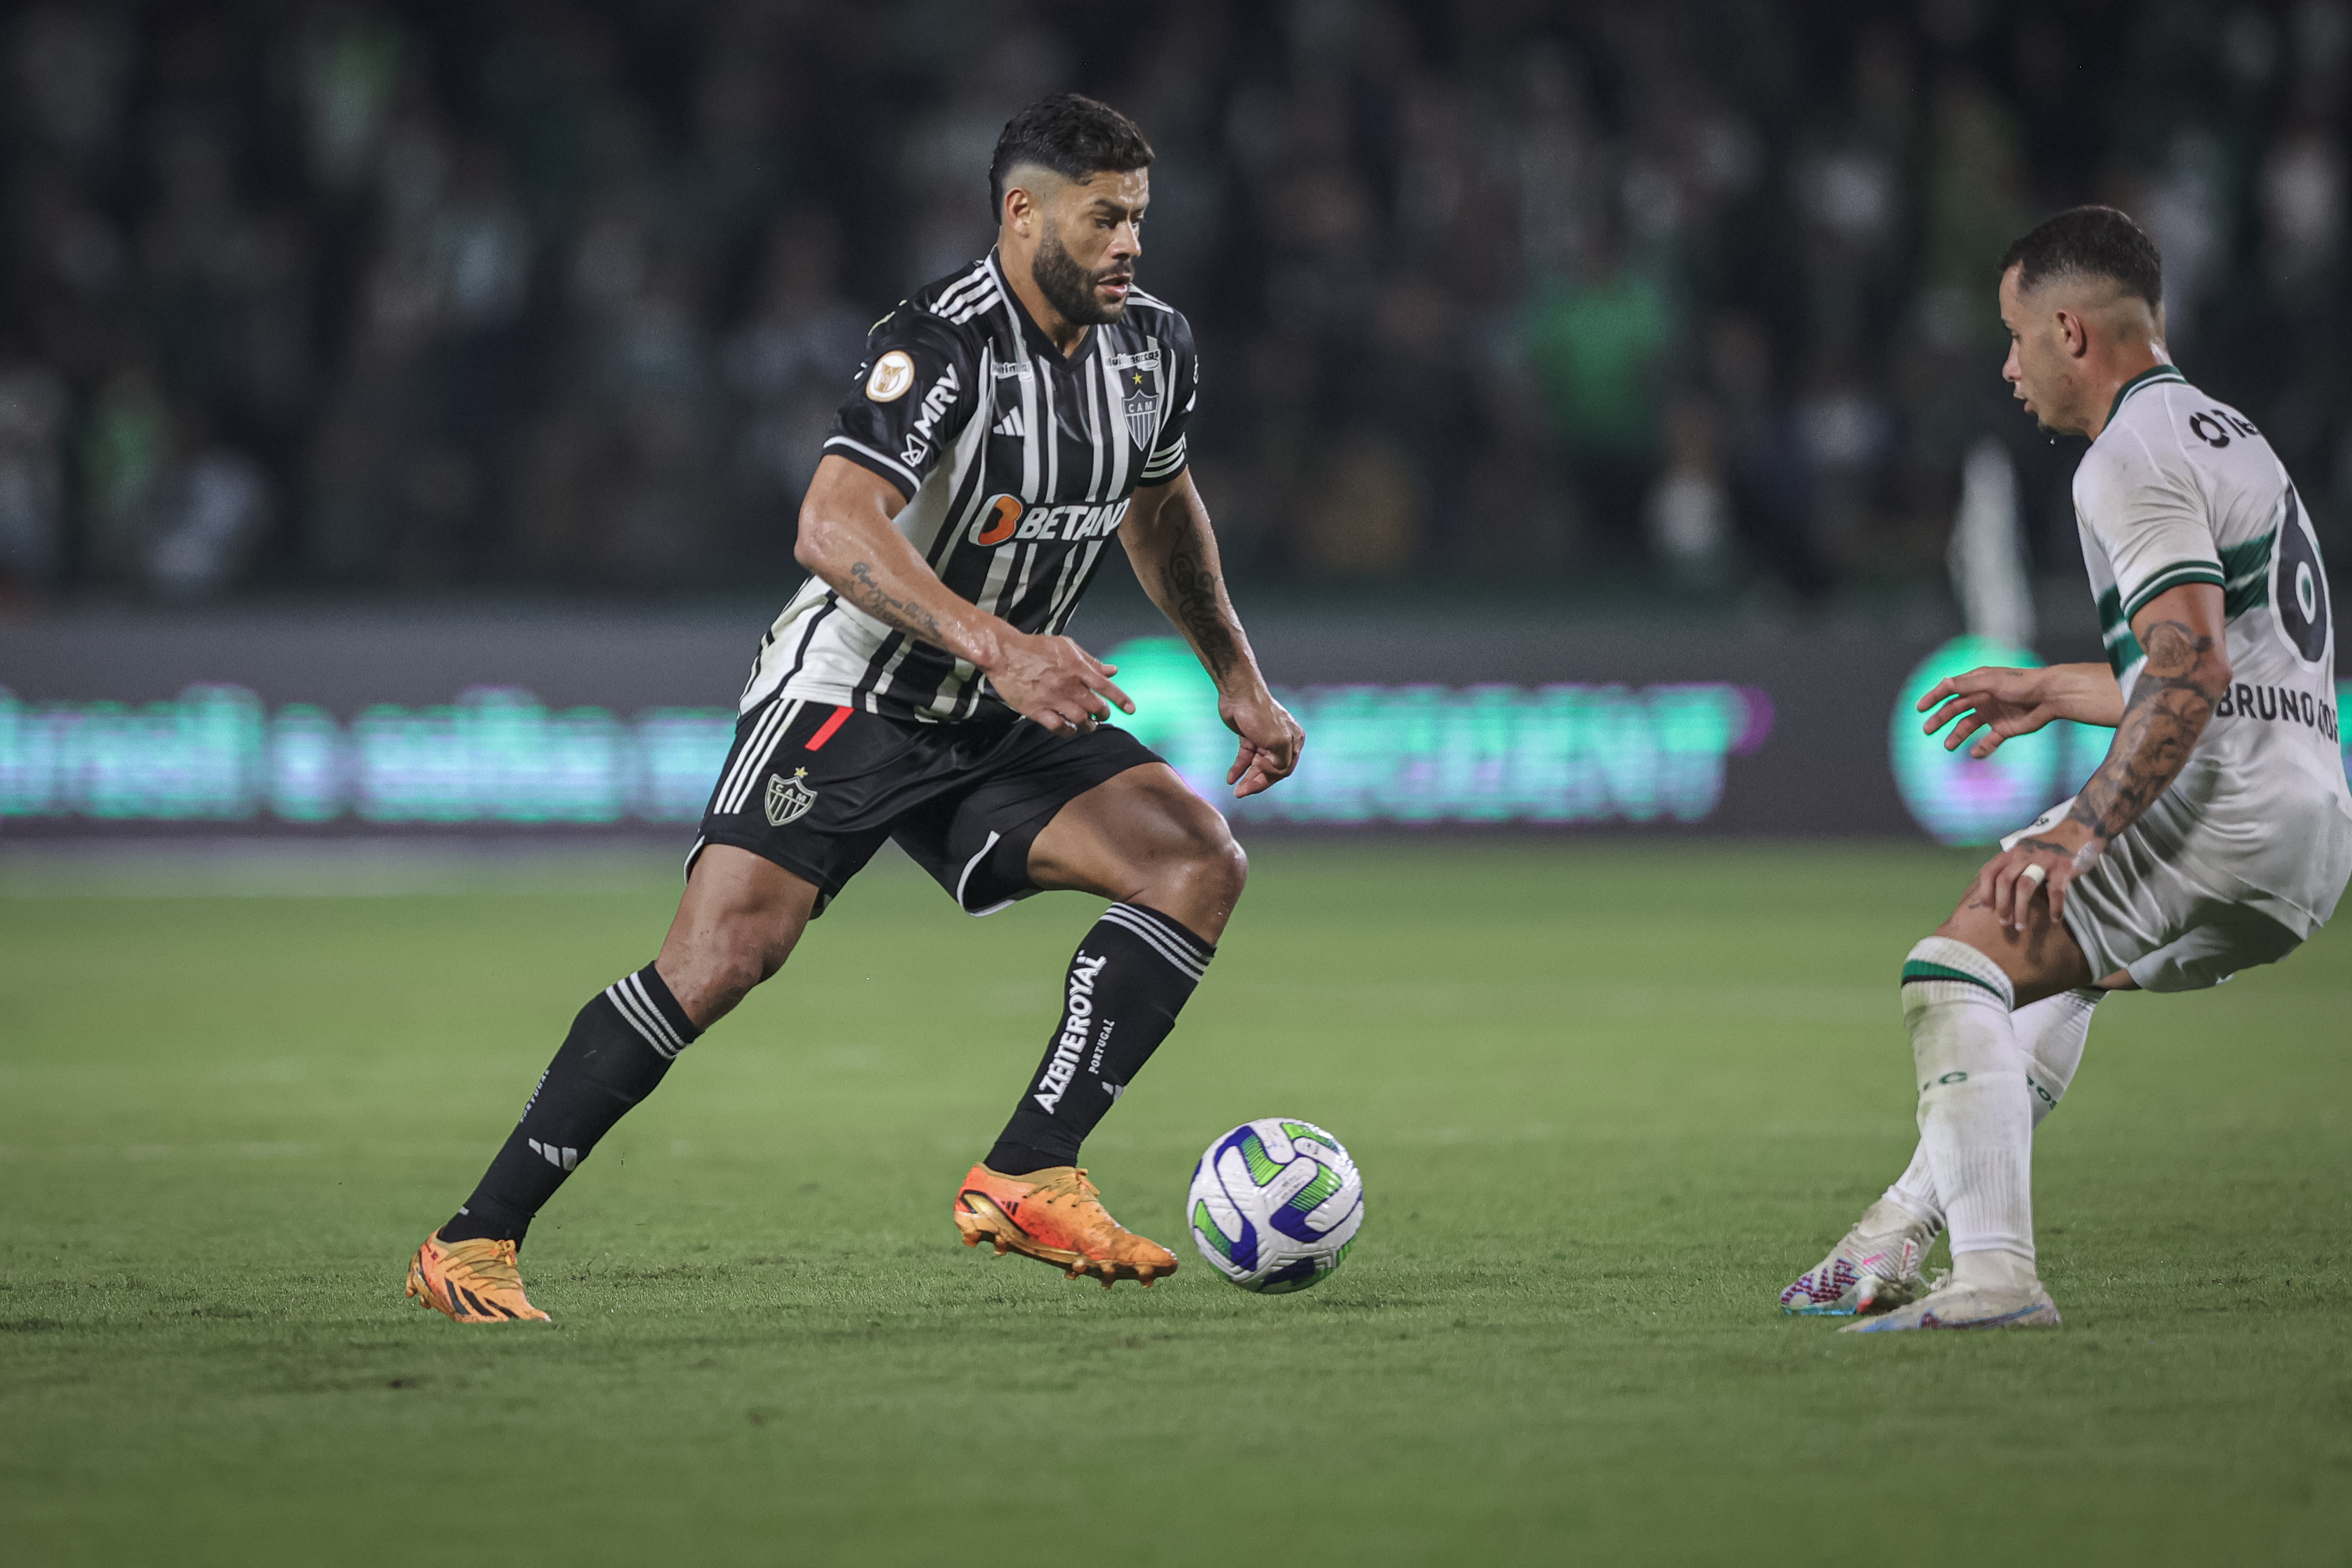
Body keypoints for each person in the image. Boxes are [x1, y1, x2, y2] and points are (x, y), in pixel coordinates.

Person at [406, 94, 1304, 1322]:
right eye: (1105, 219)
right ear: (1022, 211)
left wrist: (1235, 677)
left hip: (1002, 707)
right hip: (856, 695)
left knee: (1195, 859)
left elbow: (1159, 510)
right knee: (723, 958)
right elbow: (831, 524)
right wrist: (997, 646)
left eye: (1139, 219)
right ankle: (473, 1241)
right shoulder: (939, 343)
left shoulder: (1152, 346)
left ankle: (1031, 1166)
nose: (1130, 244)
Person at [1780, 205, 2351, 1332]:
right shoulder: (2227, 433)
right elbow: (2229, 669)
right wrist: (2056, 686)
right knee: (2049, 967)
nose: (2008, 364)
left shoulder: (2126, 456)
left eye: (2015, 333)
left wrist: (2081, 825)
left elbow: (2186, 679)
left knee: (1954, 965)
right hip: (2314, 825)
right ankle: (1892, 1234)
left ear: (2073, 332)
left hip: (2225, 810)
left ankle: (1995, 1278)